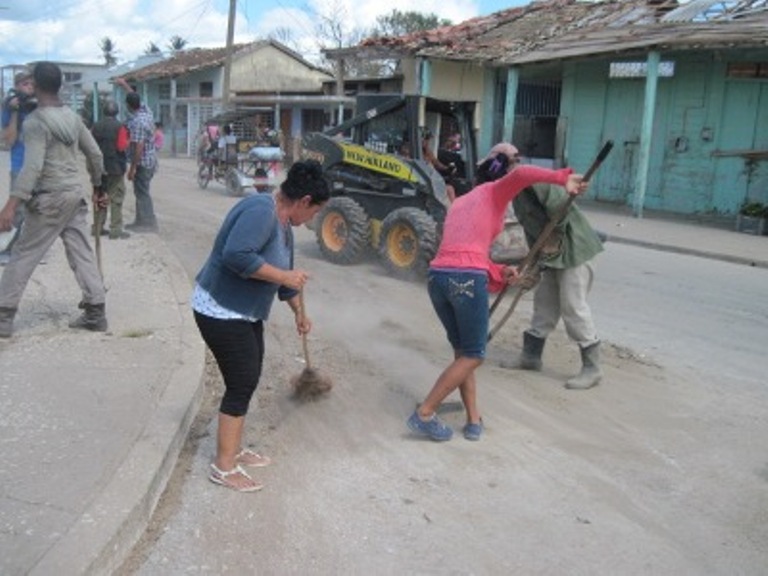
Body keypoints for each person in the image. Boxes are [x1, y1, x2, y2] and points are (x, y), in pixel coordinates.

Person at [407, 142, 588, 441]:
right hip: (464, 281)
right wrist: (562, 178)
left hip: (438, 279)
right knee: (474, 355)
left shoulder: (461, 202)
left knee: (463, 353)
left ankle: (473, 418)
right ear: (502, 172)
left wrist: (498, 271)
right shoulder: (496, 191)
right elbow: (522, 175)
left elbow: (462, 252)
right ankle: (425, 413)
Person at [192, 160, 330, 492]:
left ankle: (234, 449)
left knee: (249, 376)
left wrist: (298, 311)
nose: (312, 219)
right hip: (220, 309)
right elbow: (236, 255)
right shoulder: (260, 211)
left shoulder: (284, 224)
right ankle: (224, 466)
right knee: (241, 382)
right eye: (315, 212)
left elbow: (285, 281)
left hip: (244, 313)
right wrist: (284, 276)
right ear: (304, 201)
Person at [0, 62, 107, 338]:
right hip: (73, 196)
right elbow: (95, 154)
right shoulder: (72, 117)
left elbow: (32, 168)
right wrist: (99, 186)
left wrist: (11, 205)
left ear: (35, 84)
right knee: (81, 252)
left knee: (24, 254)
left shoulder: (36, 122)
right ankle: (96, 311)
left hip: (48, 199)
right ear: (60, 85)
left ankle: (3, 316)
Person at [495, 145, 605, 390]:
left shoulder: (535, 180)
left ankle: (592, 368)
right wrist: (533, 266)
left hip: (574, 249)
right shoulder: (517, 193)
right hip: (551, 254)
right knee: (544, 302)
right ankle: (531, 357)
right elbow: (532, 231)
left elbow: (560, 208)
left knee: (572, 305)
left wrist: (554, 235)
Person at [0, 69, 36, 265]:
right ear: (16, 87)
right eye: (25, 84)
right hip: (19, 163)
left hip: (38, 165)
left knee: (37, 208)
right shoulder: (10, 108)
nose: (29, 88)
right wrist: (14, 112)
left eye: (32, 84)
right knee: (17, 208)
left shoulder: (38, 106)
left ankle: (31, 250)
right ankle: (9, 248)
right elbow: (9, 140)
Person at [116, 78, 158, 233]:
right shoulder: (146, 112)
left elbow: (138, 148)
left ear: (128, 106)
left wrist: (132, 168)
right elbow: (134, 96)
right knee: (140, 191)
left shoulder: (137, 123)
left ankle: (148, 223)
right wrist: (124, 85)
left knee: (142, 193)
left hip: (143, 162)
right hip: (151, 160)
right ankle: (140, 221)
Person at [91, 100, 130, 239]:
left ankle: (97, 227)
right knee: (116, 198)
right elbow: (121, 147)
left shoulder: (96, 126)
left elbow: (91, 147)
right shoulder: (120, 127)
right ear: (117, 112)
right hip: (115, 168)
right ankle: (115, 230)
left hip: (99, 168)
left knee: (100, 196)